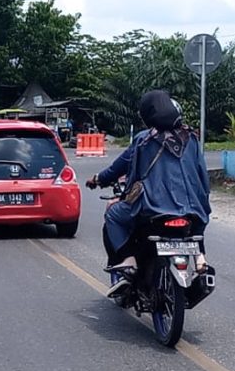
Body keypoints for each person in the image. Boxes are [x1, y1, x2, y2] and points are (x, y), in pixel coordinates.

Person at [85, 90, 211, 297]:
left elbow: (126, 169)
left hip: (153, 207)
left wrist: (102, 181)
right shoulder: (192, 138)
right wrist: (202, 199)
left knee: (113, 214)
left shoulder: (144, 140)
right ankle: (200, 258)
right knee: (196, 221)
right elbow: (202, 175)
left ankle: (128, 260)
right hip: (192, 206)